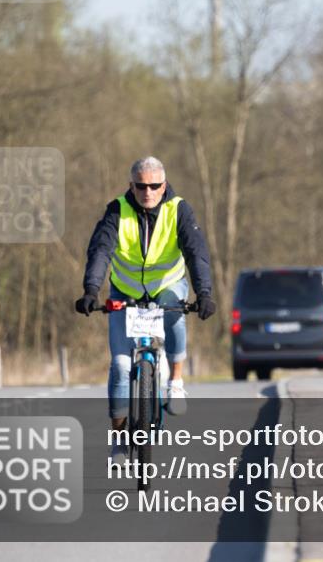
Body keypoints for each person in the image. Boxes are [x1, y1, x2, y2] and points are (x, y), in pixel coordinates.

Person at [74, 156, 215, 463]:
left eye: (154, 186)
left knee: (174, 309)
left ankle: (176, 380)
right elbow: (100, 251)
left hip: (167, 285)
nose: (147, 192)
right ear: (131, 186)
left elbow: (196, 252)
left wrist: (204, 292)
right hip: (125, 290)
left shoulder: (179, 209)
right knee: (122, 367)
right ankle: (120, 440)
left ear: (164, 185)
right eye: (141, 186)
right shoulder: (117, 210)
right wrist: (90, 290)